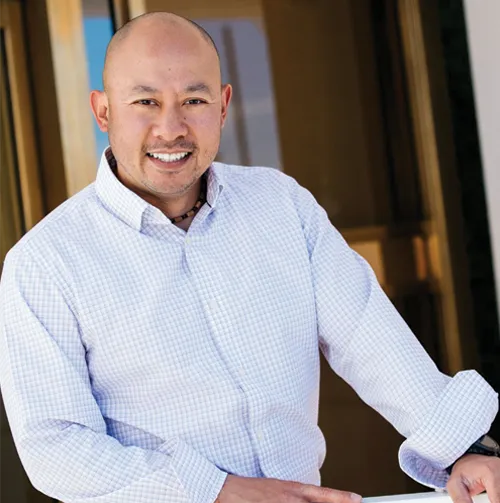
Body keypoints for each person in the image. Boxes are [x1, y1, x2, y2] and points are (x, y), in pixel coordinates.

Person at [0, 11, 499, 503]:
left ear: (222, 106)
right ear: (103, 111)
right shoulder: (44, 264)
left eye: (193, 100)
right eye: (145, 101)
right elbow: (54, 446)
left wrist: (463, 447)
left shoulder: (281, 204)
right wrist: (216, 491)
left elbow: (368, 336)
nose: (170, 129)